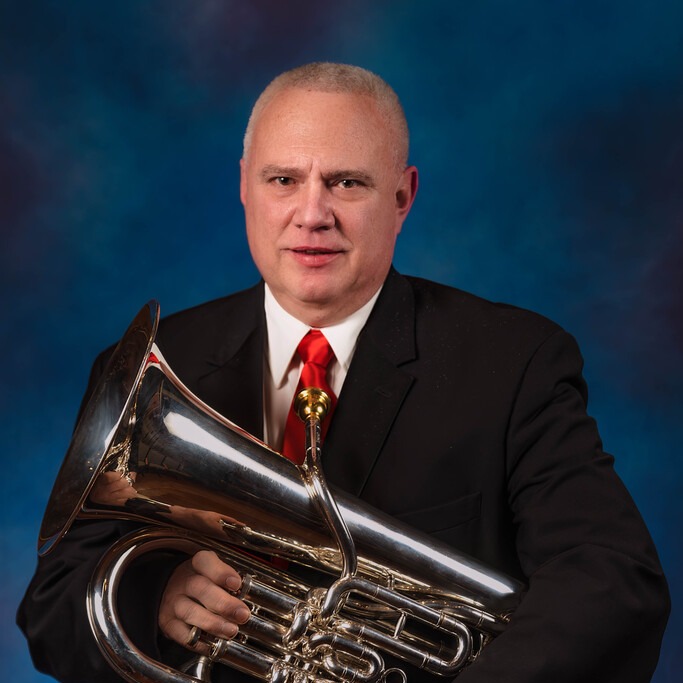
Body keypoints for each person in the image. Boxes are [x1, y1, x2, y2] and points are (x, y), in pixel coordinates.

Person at [18, 62, 669, 683]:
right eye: (283, 180)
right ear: (244, 187)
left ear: (402, 196)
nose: (312, 214)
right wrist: (156, 600)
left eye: (346, 183)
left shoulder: (511, 361)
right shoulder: (161, 362)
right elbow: (52, 607)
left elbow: (612, 579)